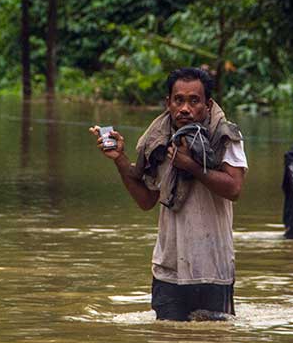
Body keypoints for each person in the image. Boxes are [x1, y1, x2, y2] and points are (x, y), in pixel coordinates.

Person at [91, 67, 247, 321]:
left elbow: (234, 188)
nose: (185, 108)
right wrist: (119, 159)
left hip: (212, 269)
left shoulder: (224, 136)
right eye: (179, 100)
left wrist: (192, 166)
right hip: (168, 269)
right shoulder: (158, 142)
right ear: (168, 103)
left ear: (207, 105)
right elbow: (146, 200)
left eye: (194, 101)